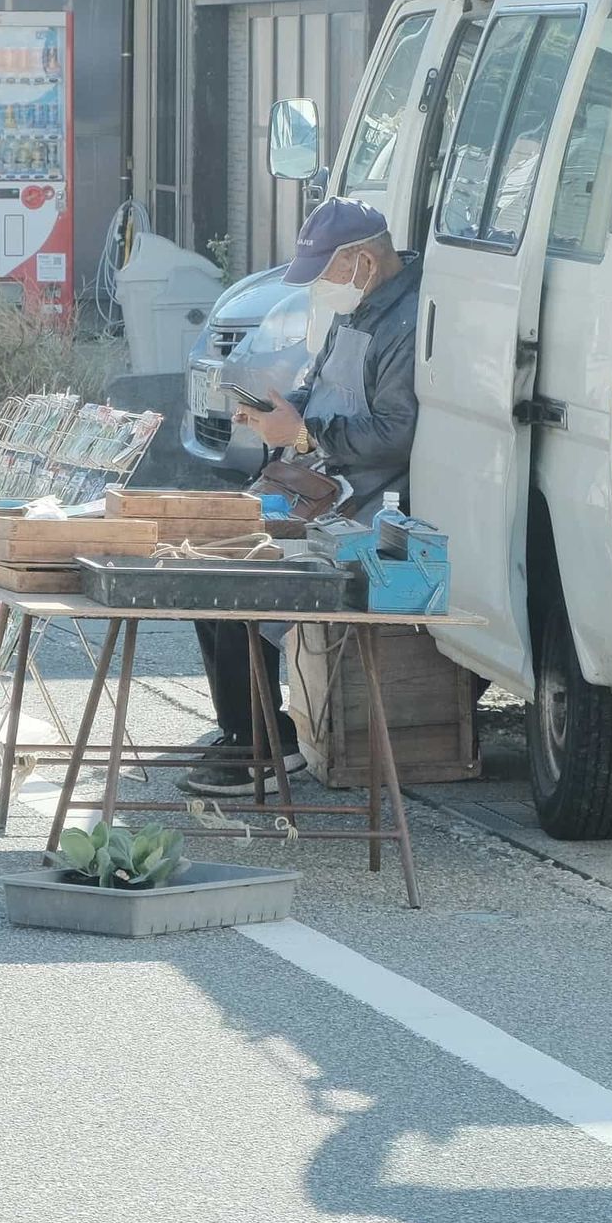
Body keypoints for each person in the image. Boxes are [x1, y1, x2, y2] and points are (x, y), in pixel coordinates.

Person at [184, 197, 423, 797]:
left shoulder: (408, 319)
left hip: (369, 505)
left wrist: (306, 431)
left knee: (240, 581)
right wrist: (279, 408)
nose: (318, 287)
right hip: (323, 484)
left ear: (363, 261)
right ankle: (244, 727)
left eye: (324, 272)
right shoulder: (358, 307)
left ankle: (268, 744)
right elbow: (320, 388)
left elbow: (398, 434)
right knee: (203, 564)